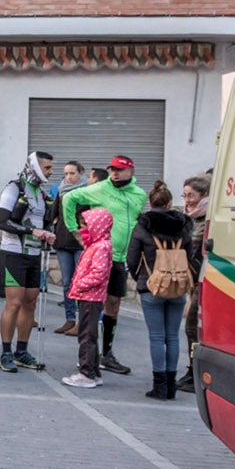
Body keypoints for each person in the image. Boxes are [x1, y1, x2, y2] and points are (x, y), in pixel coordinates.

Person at [55, 155, 151, 376]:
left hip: (121, 259)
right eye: (112, 169)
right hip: (100, 256)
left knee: (113, 305)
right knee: (92, 306)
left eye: (119, 170)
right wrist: (74, 230)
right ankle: (88, 357)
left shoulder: (139, 194)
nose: (115, 173)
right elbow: (68, 199)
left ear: (131, 172)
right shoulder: (99, 188)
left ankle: (107, 354)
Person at [126, 182, 203, 400]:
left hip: (152, 285)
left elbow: (132, 258)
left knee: (156, 337)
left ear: (150, 203)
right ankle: (171, 384)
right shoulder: (184, 226)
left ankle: (159, 385)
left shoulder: (142, 226)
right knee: (172, 336)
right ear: (170, 203)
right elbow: (189, 256)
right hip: (178, 285)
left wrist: (141, 279)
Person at [0, 152, 55, 373]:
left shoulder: (41, 193)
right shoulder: (14, 188)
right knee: (15, 302)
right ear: (35, 167)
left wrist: (49, 233)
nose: (50, 172)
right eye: (47, 168)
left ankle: (22, 351)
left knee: (30, 302)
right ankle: (6, 352)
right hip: (14, 252)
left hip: (34, 253)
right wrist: (32, 231)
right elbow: (2, 221)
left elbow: (44, 221)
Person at [61, 205, 115, 388]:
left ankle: (87, 373)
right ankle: (94, 372)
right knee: (89, 335)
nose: (82, 229)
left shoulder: (100, 247)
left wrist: (79, 284)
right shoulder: (96, 245)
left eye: (85, 226)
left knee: (86, 336)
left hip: (90, 297)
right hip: (89, 296)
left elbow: (98, 273)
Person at [50, 161, 85, 335]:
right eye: (66, 173)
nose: (69, 177)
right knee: (67, 283)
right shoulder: (62, 191)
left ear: (81, 173)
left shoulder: (87, 192)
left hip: (80, 243)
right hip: (63, 241)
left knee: (80, 283)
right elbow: (53, 213)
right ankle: (69, 319)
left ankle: (81, 320)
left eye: (72, 173)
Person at [180, 173, 211, 353]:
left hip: (203, 279)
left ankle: (193, 373)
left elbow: (191, 247)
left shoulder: (206, 220)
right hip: (193, 279)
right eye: (184, 196)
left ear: (204, 195)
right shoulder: (190, 217)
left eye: (191, 195)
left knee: (192, 327)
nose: (187, 200)